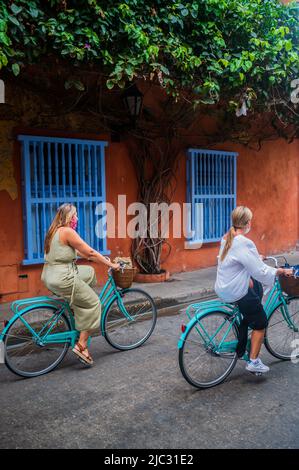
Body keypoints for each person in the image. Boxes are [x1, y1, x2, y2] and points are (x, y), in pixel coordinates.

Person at [215, 206, 293, 374]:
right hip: (236, 289)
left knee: (255, 289)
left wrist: (257, 258)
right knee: (261, 323)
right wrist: (279, 271)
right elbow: (260, 271)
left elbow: (238, 259)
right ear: (248, 222)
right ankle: (253, 361)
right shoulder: (244, 242)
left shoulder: (228, 237)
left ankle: (245, 336)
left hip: (225, 285)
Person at [41, 203, 120, 366]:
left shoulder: (53, 230)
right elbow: (89, 251)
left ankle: (78, 306)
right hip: (64, 277)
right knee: (94, 303)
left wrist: (99, 258)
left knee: (89, 272)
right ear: (68, 217)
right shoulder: (68, 231)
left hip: (50, 275)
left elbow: (80, 252)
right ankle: (81, 344)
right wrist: (111, 265)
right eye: (75, 215)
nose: (77, 218)